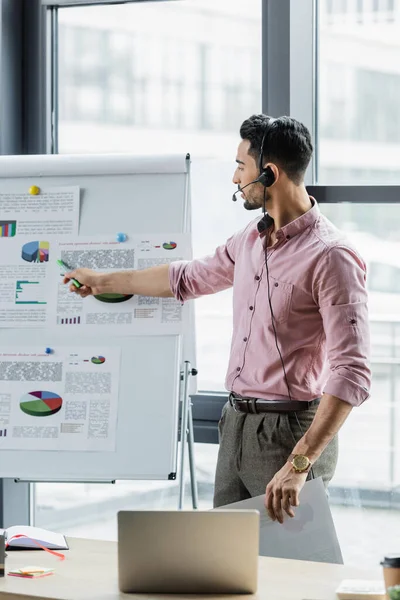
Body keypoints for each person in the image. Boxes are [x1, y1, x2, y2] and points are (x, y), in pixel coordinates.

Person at [64, 115, 371, 524]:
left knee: (295, 573)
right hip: (236, 424)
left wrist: (300, 464)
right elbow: (188, 277)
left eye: (241, 166)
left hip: (289, 432)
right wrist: (103, 281)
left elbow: (351, 373)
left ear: (269, 173)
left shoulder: (331, 257)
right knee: (230, 568)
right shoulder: (249, 239)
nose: (234, 178)